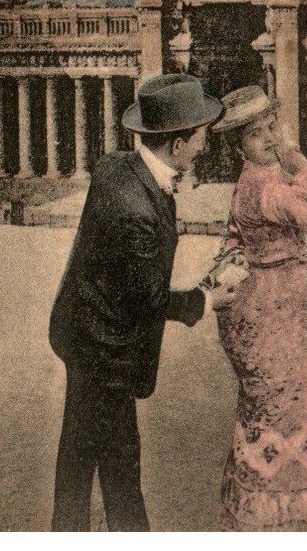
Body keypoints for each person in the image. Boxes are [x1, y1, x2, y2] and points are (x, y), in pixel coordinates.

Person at [48, 73, 235, 531]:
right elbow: (146, 300)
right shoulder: (137, 209)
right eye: (199, 136)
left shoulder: (116, 167)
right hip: (105, 350)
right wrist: (208, 298)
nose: (205, 145)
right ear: (175, 144)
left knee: (81, 460)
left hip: (82, 336)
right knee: (119, 467)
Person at [210, 84, 307, 531]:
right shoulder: (267, 188)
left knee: (283, 414)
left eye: (272, 125)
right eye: (256, 134)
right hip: (279, 323)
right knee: (295, 416)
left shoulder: (252, 184)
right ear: (239, 145)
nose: (270, 138)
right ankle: (290, 524)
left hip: (276, 318)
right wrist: (305, 170)